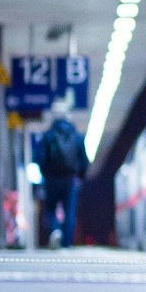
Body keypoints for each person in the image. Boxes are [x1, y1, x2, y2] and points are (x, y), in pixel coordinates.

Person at [35, 102, 89, 248]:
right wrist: (80, 177)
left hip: (51, 178)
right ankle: (66, 243)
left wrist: (44, 174)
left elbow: (39, 158)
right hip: (70, 178)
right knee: (69, 211)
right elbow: (84, 160)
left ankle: (54, 231)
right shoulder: (77, 136)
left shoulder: (48, 135)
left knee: (50, 209)